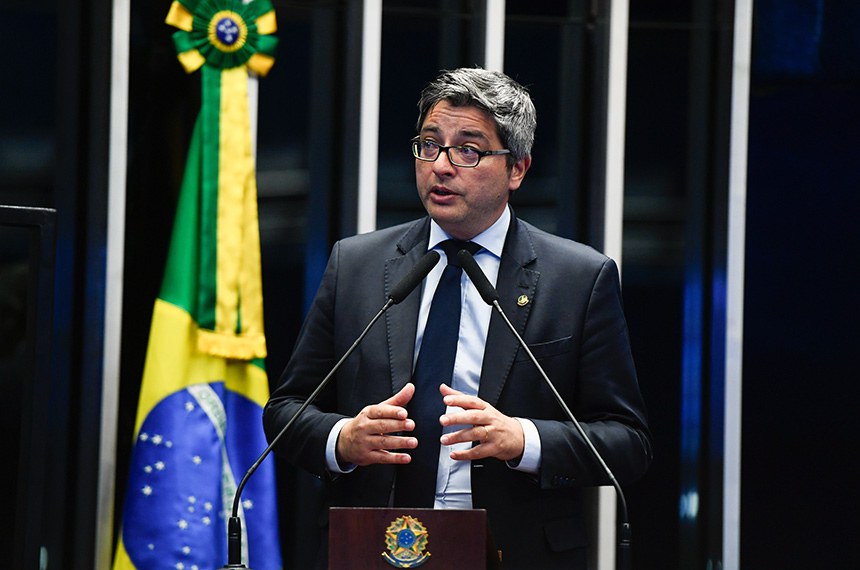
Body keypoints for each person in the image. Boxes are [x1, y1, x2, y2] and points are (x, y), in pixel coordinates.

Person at [263, 67, 652, 569]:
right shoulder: (357, 265)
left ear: (517, 168)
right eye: (429, 145)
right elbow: (286, 411)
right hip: (372, 545)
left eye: (468, 149)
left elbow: (628, 442)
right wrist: (344, 439)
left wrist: (523, 439)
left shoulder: (577, 278)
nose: (441, 166)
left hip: (514, 550)